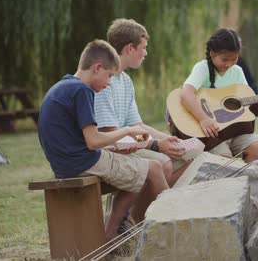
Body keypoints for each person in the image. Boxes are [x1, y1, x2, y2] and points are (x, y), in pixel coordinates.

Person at [38, 40, 169, 241]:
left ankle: (113, 234)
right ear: (97, 68)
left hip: (65, 163)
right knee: (153, 168)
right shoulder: (82, 90)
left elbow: (82, 141)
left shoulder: (63, 86)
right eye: (108, 76)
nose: (109, 83)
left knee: (133, 163)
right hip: (81, 163)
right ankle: (169, 229)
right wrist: (128, 130)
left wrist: (113, 147)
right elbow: (92, 141)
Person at [94, 19, 190, 187]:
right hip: (110, 148)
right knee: (163, 163)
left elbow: (137, 125)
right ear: (130, 48)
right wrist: (155, 144)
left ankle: (135, 212)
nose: (146, 53)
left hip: (128, 144)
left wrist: (169, 139)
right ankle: (136, 213)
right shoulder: (103, 81)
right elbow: (111, 132)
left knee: (181, 158)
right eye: (143, 48)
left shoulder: (126, 81)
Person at [179, 28, 258, 163]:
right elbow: (186, 93)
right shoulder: (202, 68)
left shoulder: (237, 71)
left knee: (257, 147)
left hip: (234, 132)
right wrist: (204, 119)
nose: (229, 64)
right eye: (225, 59)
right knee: (224, 160)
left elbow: (247, 105)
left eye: (234, 59)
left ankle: (250, 181)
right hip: (210, 135)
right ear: (212, 54)